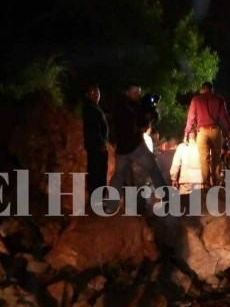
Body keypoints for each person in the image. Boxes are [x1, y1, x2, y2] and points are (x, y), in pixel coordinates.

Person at [107, 82, 166, 213]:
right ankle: (167, 199)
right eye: (135, 93)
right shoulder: (134, 108)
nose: (138, 96)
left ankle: (111, 206)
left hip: (122, 149)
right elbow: (143, 127)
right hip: (136, 147)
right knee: (153, 169)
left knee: (118, 175)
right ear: (127, 93)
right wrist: (148, 112)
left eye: (139, 93)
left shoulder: (118, 105)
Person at [184, 82, 230, 187]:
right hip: (215, 130)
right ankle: (215, 183)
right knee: (216, 159)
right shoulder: (219, 99)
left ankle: (206, 185)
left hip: (202, 132)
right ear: (212, 89)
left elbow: (191, 119)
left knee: (204, 160)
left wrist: (186, 134)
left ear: (202, 89)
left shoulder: (196, 100)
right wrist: (229, 132)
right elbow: (225, 117)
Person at [82, 82, 109, 196]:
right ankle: (97, 198)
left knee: (98, 172)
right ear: (87, 95)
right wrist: (101, 143)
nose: (97, 94)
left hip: (97, 145)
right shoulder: (90, 108)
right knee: (96, 172)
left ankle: (98, 197)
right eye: (93, 92)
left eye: (98, 92)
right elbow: (93, 128)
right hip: (96, 146)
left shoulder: (95, 107)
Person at [170, 130, 202, 195]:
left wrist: (173, 178)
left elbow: (175, 164)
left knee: (185, 202)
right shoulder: (202, 147)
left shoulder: (181, 147)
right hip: (199, 180)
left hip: (186, 181)